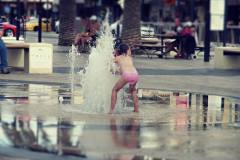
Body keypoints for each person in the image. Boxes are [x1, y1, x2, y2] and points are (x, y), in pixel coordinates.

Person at [109, 44, 139, 114]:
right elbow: (125, 67)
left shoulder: (118, 58)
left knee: (114, 90)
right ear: (126, 51)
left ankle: (111, 111)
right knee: (133, 91)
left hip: (127, 75)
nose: (130, 51)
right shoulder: (130, 58)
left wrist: (114, 54)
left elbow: (109, 63)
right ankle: (136, 110)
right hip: (135, 74)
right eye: (129, 50)